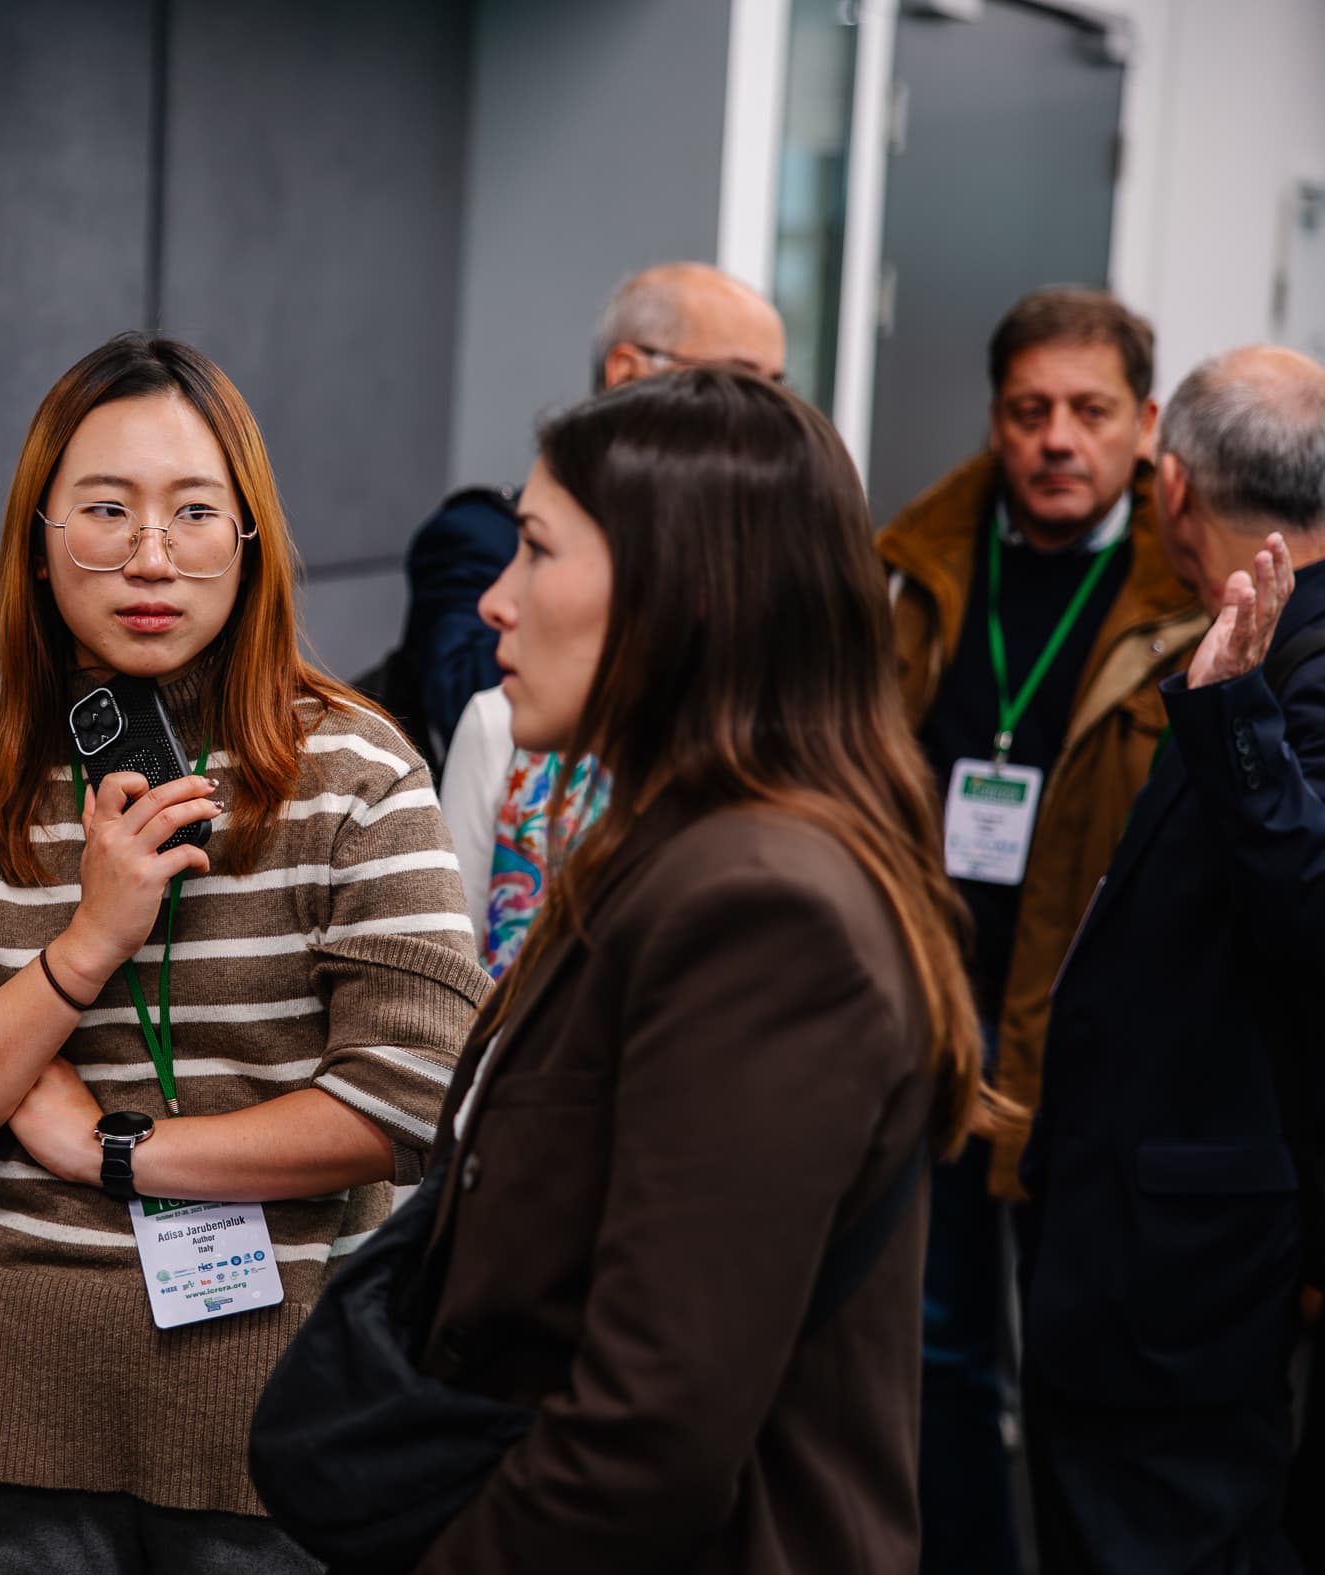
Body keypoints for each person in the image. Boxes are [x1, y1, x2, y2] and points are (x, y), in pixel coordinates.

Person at [0, 332, 489, 1571]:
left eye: (194, 512)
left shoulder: (354, 772)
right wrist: (83, 948)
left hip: (290, 1407)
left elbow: (416, 1097)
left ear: (247, 538)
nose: (149, 556)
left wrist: (114, 1150)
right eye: (104, 511)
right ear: (39, 543)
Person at [403, 368, 996, 1570]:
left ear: (677, 592)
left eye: (534, 551)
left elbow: (649, 1434)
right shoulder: (681, 843)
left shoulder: (764, 909)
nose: (497, 605)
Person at [878, 286, 1205, 1571]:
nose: (1056, 440)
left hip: (1096, 1041)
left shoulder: (1190, 590)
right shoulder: (913, 572)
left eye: (1088, 411)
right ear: (995, 421)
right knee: (934, 1345)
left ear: (1146, 425)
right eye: (1029, 412)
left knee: (1085, 1355)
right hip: (934, 1025)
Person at [1019, 346, 1325, 1575]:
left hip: (1192, 1284)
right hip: (1143, 1260)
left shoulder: (1293, 661)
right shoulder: (1256, 635)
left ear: (1170, 487)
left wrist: (1233, 716)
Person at [389, 261, 786, 763]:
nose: (766, 412)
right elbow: (477, 720)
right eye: (738, 382)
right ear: (628, 372)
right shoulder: (481, 534)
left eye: (777, 387)